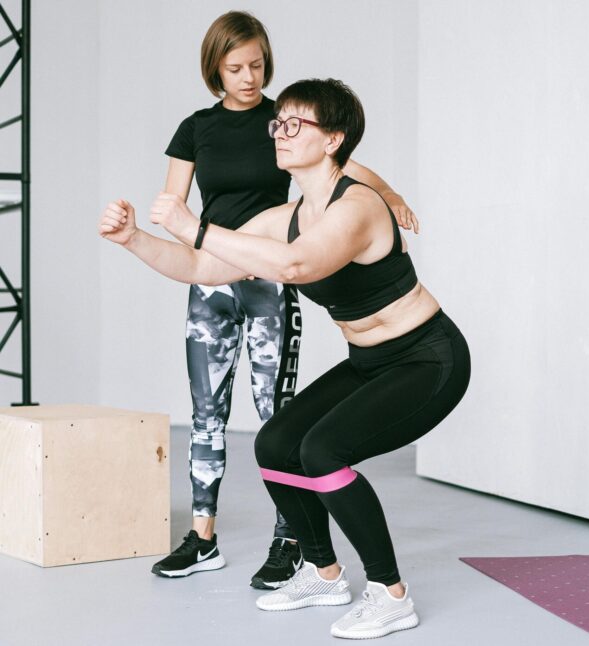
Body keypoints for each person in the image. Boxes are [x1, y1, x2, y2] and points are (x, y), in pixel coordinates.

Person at [99, 77, 469, 639]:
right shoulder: (286, 215)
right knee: (275, 445)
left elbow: (297, 266)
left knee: (322, 451)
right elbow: (202, 268)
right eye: (280, 123)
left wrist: (196, 225)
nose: (280, 132)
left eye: (297, 124)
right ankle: (324, 575)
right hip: (370, 360)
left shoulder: (358, 205)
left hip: (427, 359)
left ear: (333, 139)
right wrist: (134, 240)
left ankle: (391, 593)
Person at [151, 10, 419, 589]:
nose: (249, 77)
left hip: (273, 280)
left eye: (258, 65)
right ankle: (202, 537)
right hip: (213, 283)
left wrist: (391, 194)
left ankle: (291, 541)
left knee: (278, 417)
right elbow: (176, 208)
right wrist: (166, 238)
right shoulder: (195, 128)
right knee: (206, 413)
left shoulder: (285, 121)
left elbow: (343, 163)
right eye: (236, 67)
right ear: (214, 69)